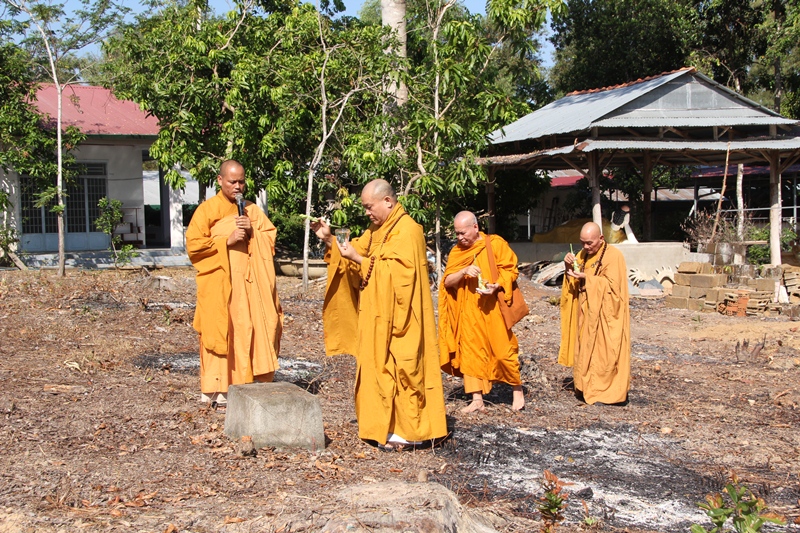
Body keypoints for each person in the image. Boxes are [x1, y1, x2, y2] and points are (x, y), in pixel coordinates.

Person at [311, 179, 447, 451]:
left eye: (369, 207)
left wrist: (359, 260)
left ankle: (411, 432)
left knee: (405, 366)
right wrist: (328, 238)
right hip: (377, 314)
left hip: (404, 317)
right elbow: (354, 250)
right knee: (377, 367)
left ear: (387, 201)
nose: (367, 213)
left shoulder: (408, 230)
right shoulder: (376, 229)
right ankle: (383, 426)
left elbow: (400, 276)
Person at [186, 159, 283, 406]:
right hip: (222, 286)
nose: (238, 187)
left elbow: (269, 240)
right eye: (232, 182)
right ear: (220, 180)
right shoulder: (207, 210)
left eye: (241, 181)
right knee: (223, 331)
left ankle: (252, 382)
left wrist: (252, 231)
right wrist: (225, 241)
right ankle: (218, 389)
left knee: (255, 328)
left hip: (251, 287)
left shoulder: (252, 211)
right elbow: (194, 246)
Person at [438, 211, 525, 413]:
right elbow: (447, 282)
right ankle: (477, 399)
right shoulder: (457, 252)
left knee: (503, 352)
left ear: (475, 227)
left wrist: (496, 285)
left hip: (493, 308)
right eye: (457, 233)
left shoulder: (494, 244)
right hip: (469, 311)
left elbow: (510, 270)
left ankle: (517, 390)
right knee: (470, 353)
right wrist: (463, 271)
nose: (459, 237)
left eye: (463, 233)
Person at [559, 222, 630, 405]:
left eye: (589, 243)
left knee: (604, 354)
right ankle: (585, 387)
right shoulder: (582, 255)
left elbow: (614, 290)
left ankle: (606, 392)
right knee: (584, 350)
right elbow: (573, 284)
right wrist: (568, 266)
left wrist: (588, 279)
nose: (585, 247)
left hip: (605, 316)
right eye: (582, 242)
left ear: (601, 238)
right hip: (586, 314)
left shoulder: (614, 256)